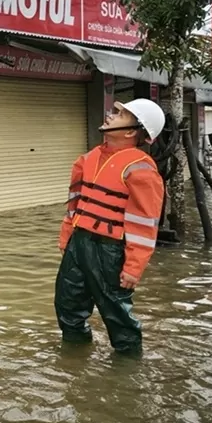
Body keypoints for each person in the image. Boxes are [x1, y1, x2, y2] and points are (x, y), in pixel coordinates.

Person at [55, 99, 166, 355]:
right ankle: (74, 361)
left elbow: (145, 224)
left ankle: (127, 373)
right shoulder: (88, 159)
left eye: (119, 114)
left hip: (110, 250)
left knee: (117, 313)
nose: (110, 115)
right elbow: (75, 203)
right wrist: (67, 239)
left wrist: (133, 268)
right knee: (67, 305)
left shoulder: (141, 170)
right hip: (79, 243)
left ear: (130, 131)